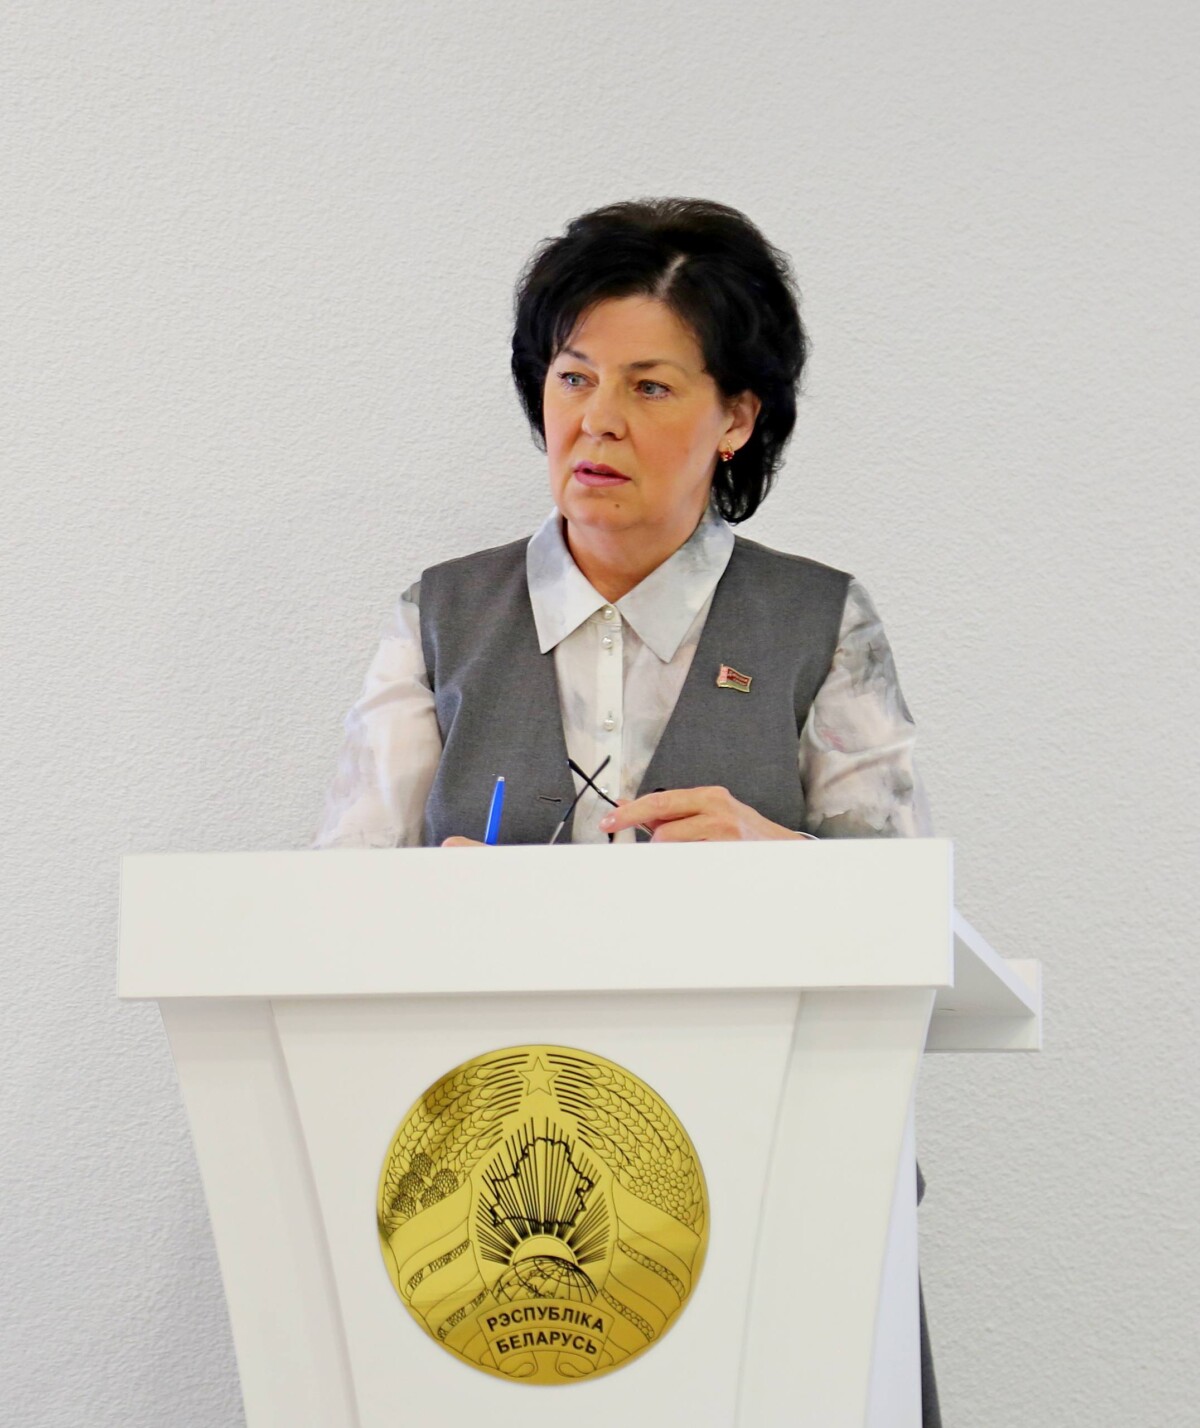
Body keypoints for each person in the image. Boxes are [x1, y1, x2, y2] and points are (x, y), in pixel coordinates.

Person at [313, 197, 940, 1422]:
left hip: (776, 1183)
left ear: (737, 416)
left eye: (650, 386)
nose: (596, 420)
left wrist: (779, 856)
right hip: (485, 1224)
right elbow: (328, 910)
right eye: (573, 377)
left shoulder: (822, 623)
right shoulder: (439, 618)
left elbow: (909, 917)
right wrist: (416, 913)